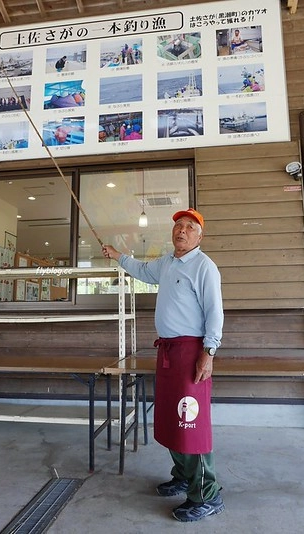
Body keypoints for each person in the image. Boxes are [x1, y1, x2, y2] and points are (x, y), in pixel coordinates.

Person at [102, 208, 224, 522]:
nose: (181, 231)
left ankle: (207, 495)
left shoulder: (204, 267)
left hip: (192, 352)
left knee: (191, 423)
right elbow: (142, 269)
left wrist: (208, 353)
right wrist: (118, 256)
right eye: (178, 226)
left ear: (200, 236)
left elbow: (215, 313)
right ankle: (183, 476)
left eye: (189, 227)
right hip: (168, 352)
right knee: (172, 418)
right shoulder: (167, 264)